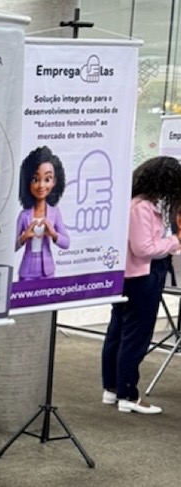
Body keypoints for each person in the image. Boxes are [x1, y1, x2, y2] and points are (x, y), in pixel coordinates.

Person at [102, 156, 181, 415]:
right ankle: (127, 394)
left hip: (133, 276)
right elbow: (143, 248)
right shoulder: (142, 208)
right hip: (141, 277)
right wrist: (175, 241)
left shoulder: (138, 205)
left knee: (119, 332)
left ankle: (114, 389)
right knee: (134, 336)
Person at [16, 146, 70, 280]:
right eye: (35, 179)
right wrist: (24, 237)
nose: (41, 186)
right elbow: (10, 247)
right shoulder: (24, 215)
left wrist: (53, 234)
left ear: (54, 182)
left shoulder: (55, 213)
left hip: (47, 270)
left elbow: (66, 243)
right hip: (27, 270)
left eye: (47, 179)